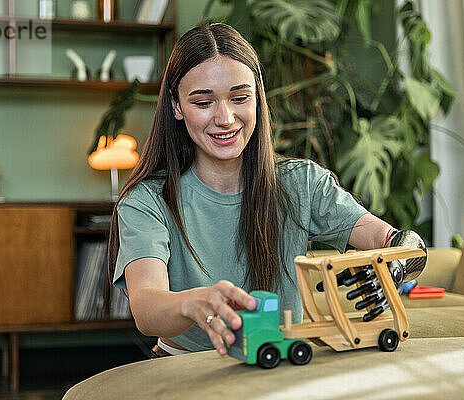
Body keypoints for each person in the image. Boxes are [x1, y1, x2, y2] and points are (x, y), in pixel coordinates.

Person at [106, 23, 426, 358]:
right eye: (203, 103)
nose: (226, 118)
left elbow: (393, 241)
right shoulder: (147, 201)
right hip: (185, 365)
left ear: (258, 98)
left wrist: (394, 261)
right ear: (177, 107)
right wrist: (193, 302)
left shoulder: (301, 183)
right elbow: (146, 307)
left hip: (278, 364)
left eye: (240, 98)